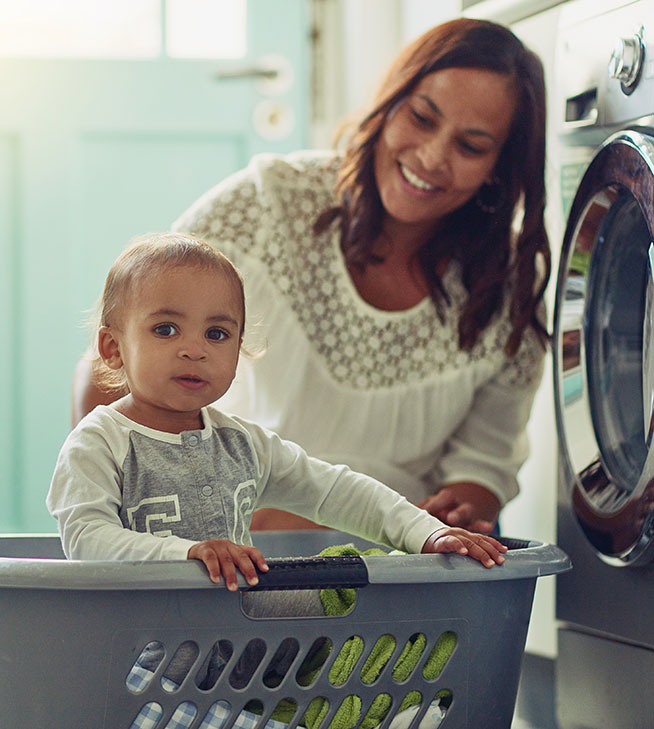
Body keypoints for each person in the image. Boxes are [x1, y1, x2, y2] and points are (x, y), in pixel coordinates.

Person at [70, 18, 550, 535]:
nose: (432, 157)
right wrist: (131, 535)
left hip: (400, 571)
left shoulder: (510, 284)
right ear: (389, 103)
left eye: (471, 146)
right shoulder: (265, 207)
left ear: (501, 167)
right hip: (233, 553)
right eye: (421, 117)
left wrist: (458, 509)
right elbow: (112, 366)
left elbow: (484, 464)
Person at [49, 233, 507, 589]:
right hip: (138, 655)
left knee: (337, 610)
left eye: (217, 334)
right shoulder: (99, 443)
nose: (195, 350)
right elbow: (87, 540)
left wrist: (425, 533)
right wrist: (186, 554)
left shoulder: (242, 445)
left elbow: (337, 491)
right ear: (113, 348)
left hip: (239, 650)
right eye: (166, 329)